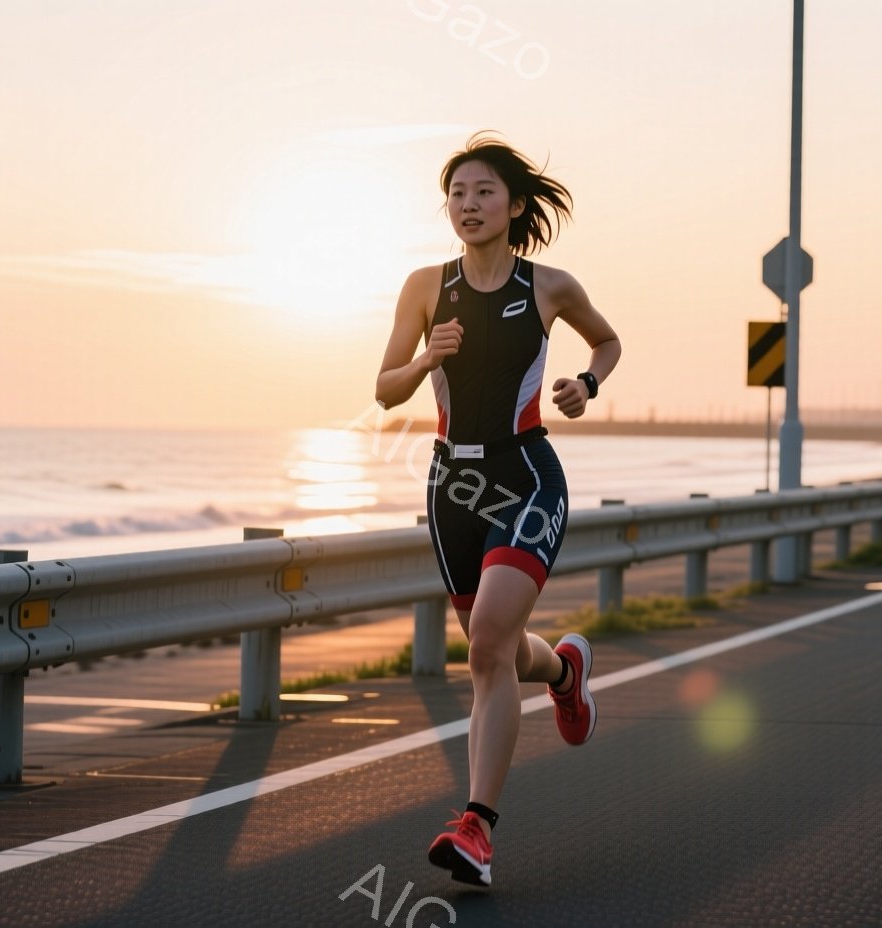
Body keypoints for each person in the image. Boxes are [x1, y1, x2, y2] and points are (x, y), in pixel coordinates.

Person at [374, 131, 622, 887]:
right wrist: (426, 359)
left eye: (484, 192)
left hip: (526, 478)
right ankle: (563, 671)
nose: (469, 205)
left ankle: (476, 828)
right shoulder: (425, 285)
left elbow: (606, 342)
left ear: (515, 206)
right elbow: (385, 390)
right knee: (502, 654)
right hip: (452, 488)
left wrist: (587, 384)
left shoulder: (548, 287)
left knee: (484, 645)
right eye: (457, 193)